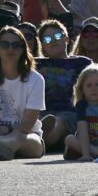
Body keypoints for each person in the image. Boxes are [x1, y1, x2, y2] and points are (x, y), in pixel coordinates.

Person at [0, 27, 46, 160]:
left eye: (16, 45)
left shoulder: (36, 79)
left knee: (17, 137)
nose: (10, 49)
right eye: (5, 45)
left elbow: (27, 125)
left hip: (27, 136)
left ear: (23, 50)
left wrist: (7, 130)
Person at [36, 18, 91, 151]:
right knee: (41, 120)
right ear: (42, 45)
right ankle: (38, 139)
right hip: (42, 112)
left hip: (70, 112)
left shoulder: (82, 63)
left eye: (57, 36)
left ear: (66, 39)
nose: (53, 40)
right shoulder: (36, 64)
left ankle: (43, 139)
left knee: (59, 120)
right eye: (47, 39)